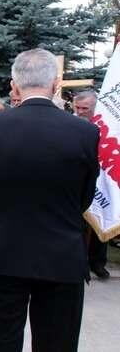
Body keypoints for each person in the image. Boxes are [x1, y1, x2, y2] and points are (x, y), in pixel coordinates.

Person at [0, 49, 99, 352]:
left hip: (4, 252)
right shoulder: (85, 131)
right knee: (57, 342)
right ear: (56, 84)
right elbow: (85, 196)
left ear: (14, 86)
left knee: (0, 340)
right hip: (62, 255)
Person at [72, 90, 109, 279]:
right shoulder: (69, 124)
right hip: (75, 181)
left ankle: (97, 262)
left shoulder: (106, 127)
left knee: (99, 220)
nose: (79, 112)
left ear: (95, 108)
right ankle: (76, 261)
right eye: (77, 107)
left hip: (101, 179)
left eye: (84, 108)